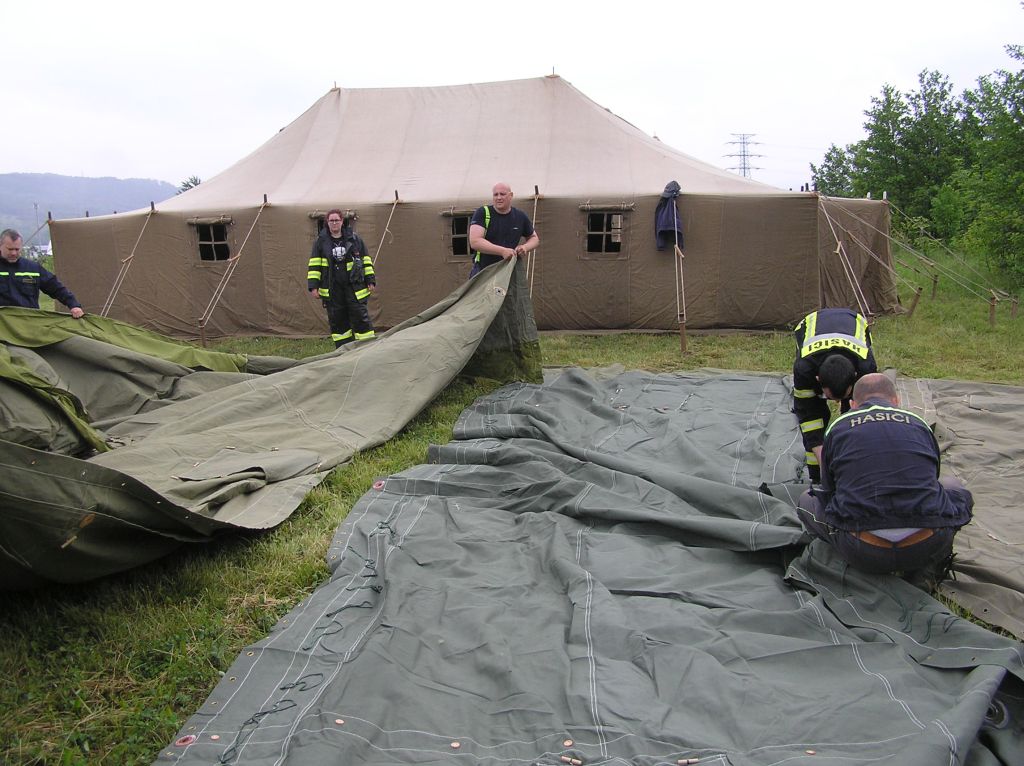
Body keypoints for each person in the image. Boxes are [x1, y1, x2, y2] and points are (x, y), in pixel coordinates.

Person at [797, 373, 973, 586]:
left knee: (806, 500)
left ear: (852, 405)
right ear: (896, 401)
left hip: (863, 550)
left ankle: (843, 569)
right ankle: (929, 569)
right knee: (954, 487)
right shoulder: (919, 423)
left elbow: (828, 490)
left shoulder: (839, 426)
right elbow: (933, 478)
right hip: (926, 544)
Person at [792, 307, 877, 482]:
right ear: (817, 379)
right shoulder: (804, 369)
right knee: (814, 421)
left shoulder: (865, 368)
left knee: (855, 419)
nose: (836, 402)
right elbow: (807, 415)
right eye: (831, 398)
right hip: (810, 324)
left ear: (855, 377)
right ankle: (816, 478)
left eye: (842, 397)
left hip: (854, 321)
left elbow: (864, 414)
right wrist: (821, 458)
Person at [307, 210, 376, 348]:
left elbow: (366, 260)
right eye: (331, 221)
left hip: (354, 286)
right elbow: (314, 265)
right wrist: (313, 286)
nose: (334, 223)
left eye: (336, 220)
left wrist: (370, 279)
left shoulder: (355, 239)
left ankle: (367, 347)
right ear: (327, 223)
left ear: (342, 221)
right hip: (333, 288)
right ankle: (343, 350)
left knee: (360, 317)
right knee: (338, 320)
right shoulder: (321, 242)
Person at [0, 228, 85, 318]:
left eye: (17, 249)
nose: (13, 253)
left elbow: (55, 287)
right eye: (10, 249)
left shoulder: (32, 268)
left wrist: (74, 305)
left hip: (29, 323)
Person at [467, 182, 540, 278]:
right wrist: (502, 251)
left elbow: (534, 238)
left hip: (509, 272)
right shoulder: (483, 213)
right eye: (495, 194)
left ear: (511, 195)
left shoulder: (520, 216)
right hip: (484, 271)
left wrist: (525, 247)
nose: (499, 198)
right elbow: (475, 242)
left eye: (502, 194)